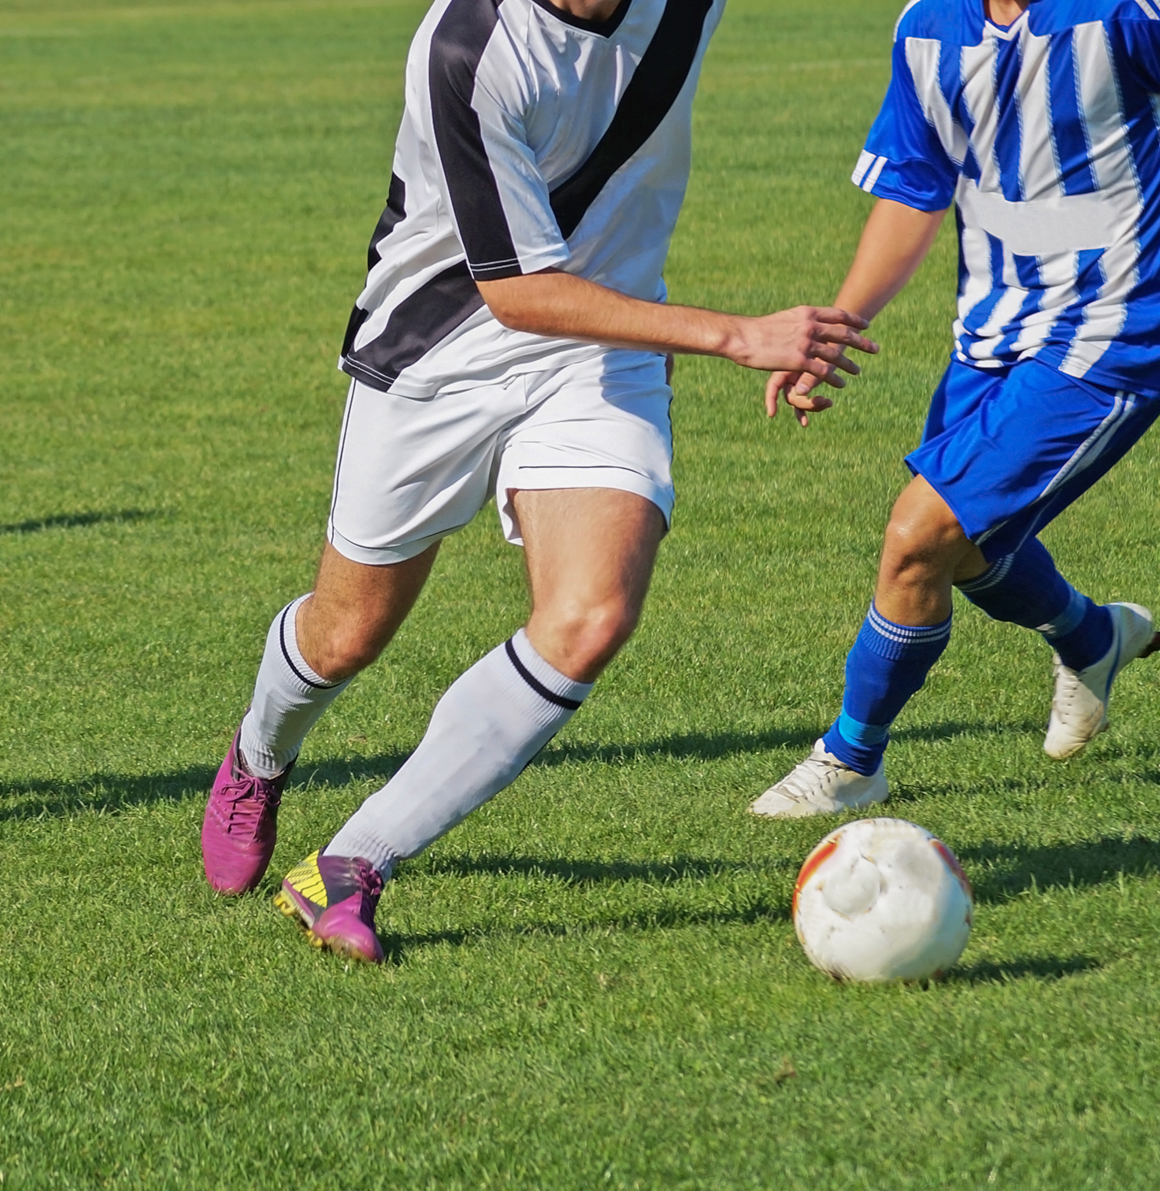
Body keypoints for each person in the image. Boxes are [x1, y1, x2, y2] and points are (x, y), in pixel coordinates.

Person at [199, 0, 878, 961]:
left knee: (591, 615)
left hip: (602, 350)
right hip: (440, 352)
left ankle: (347, 866)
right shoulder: (468, 46)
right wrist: (738, 335)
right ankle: (259, 755)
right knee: (345, 633)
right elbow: (517, 292)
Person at [750, 0, 1160, 818]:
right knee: (968, 547)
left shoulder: (1135, 13)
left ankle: (851, 759)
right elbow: (918, 187)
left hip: (1121, 327)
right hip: (992, 332)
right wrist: (836, 329)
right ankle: (1092, 638)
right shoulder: (927, 27)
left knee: (919, 535)